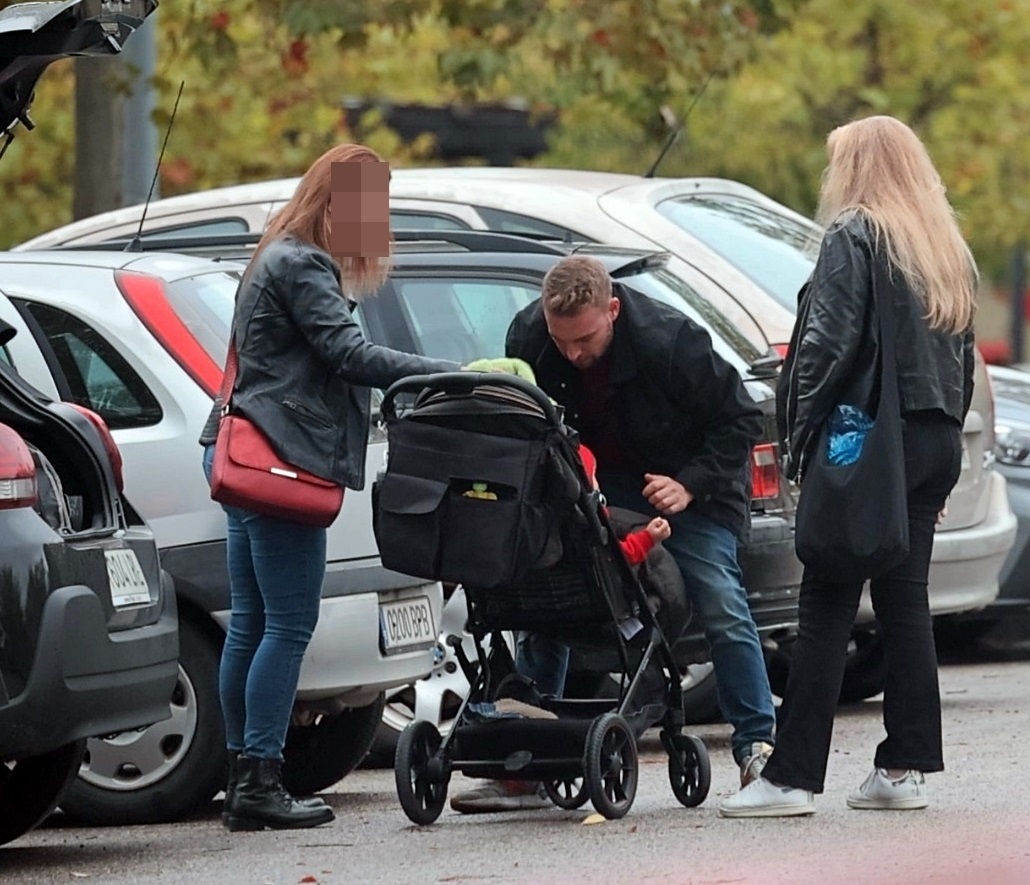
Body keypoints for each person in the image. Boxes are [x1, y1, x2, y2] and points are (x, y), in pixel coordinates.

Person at [449, 255, 778, 814]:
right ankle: (526, 765)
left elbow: (741, 420)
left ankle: (758, 749)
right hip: (595, 485)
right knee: (545, 593)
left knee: (720, 600)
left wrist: (689, 485)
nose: (573, 354)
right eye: (563, 342)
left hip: (686, 485)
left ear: (614, 310)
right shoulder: (531, 334)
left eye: (585, 340)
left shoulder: (671, 341)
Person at [198, 143, 460, 831]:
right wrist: (438, 372)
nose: (381, 223)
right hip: (278, 458)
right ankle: (259, 779)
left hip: (240, 449)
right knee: (286, 622)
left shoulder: (272, 253)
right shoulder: (304, 262)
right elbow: (348, 353)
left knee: (253, 623)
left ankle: (241, 776)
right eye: (374, 209)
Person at [720, 115, 976, 818]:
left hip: (864, 443)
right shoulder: (943, 246)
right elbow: (962, 360)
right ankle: (902, 766)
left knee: (827, 598)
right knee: (904, 600)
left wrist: (799, 440)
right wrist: (938, 461)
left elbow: (827, 349)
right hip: (931, 439)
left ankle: (792, 774)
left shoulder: (853, 236)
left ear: (856, 169)